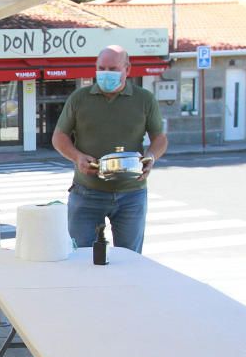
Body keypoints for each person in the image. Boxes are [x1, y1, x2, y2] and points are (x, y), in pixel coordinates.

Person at [51, 45, 168, 253]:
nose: (106, 73)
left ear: (127, 69)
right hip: (86, 193)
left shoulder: (144, 99)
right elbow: (59, 137)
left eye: (113, 69)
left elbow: (160, 138)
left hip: (131, 194)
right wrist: (77, 157)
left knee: (130, 259)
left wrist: (151, 156)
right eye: (101, 68)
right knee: (80, 257)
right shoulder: (80, 98)